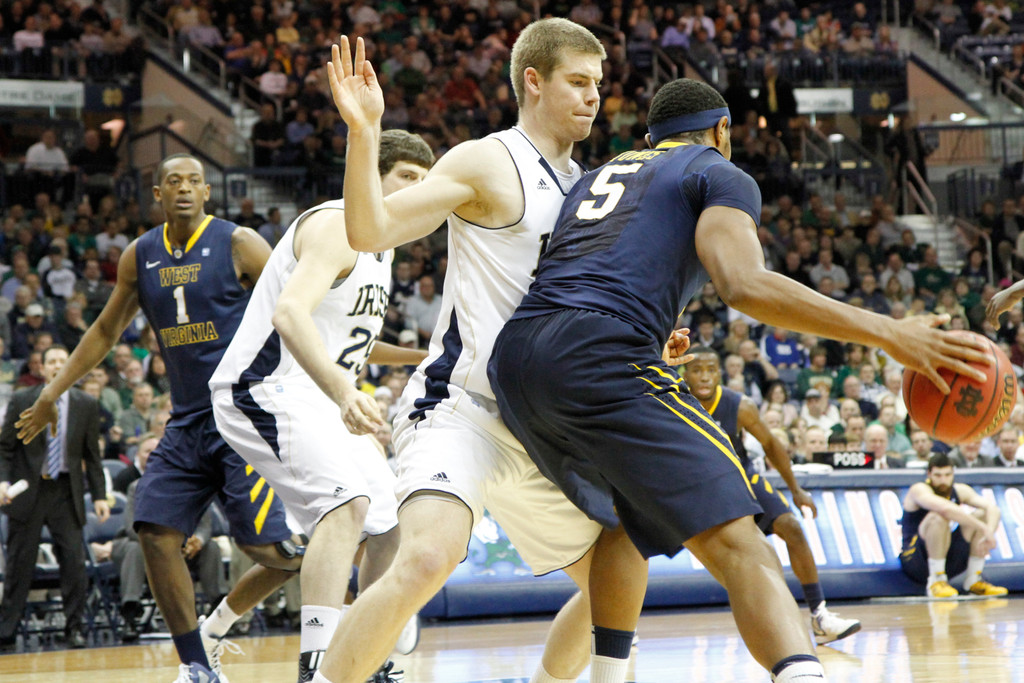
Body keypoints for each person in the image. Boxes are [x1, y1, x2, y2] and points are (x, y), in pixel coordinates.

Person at [487, 78, 990, 683]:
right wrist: (889, 332)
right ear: (722, 131)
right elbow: (744, 285)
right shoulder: (717, 172)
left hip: (517, 360)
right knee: (743, 544)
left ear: (652, 139)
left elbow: (598, 266)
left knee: (625, 525)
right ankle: (802, 672)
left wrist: (648, 330)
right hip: (600, 354)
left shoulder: (602, 174)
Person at [323, 23, 651, 683]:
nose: (595, 98)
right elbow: (370, 228)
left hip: (546, 425)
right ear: (534, 81)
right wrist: (363, 134)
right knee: (425, 559)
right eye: (579, 82)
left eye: (599, 84)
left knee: (613, 583)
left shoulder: (587, 187)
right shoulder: (486, 161)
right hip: (463, 409)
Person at [14, 154, 303, 683]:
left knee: (261, 546)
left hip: (246, 411)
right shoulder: (139, 254)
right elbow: (103, 331)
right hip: (188, 418)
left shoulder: (241, 242)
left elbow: (299, 310)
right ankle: (196, 664)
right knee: (153, 531)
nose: (186, 188)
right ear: (157, 194)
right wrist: (53, 390)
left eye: (196, 181)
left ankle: (348, 570)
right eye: (174, 182)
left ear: (208, 193)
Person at [209, 130, 434, 683]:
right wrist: (343, 390)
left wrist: (422, 352)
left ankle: (370, 654)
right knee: (347, 506)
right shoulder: (337, 224)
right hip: (264, 385)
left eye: (425, 183)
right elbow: (290, 314)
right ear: (370, 177)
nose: (416, 191)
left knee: (389, 525)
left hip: (316, 395)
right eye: (406, 177)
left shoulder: (383, 247)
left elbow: (348, 334)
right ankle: (318, 666)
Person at [684, 347, 861, 644]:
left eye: (710, 369)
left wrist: (796, 489)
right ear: (684, 373)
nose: (704, 376)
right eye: (697, 369)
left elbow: (771, 444)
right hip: (693, 482)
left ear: (720, 373)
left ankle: (820, 615)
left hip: (738, 474)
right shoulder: (672, 401)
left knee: (791, 527)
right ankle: (623, 625)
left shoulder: (739, 405)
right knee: (636, 537)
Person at [0, 345, 107, 651]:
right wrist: (2, 481)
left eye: (64, 361)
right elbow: (5, 447)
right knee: (20, 565)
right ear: (43, 368)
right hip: (29, 490)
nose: (59, 366)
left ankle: (74, 628)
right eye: (52, 362)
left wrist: (99, 495)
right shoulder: (23, 398)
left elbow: (92, 455)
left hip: (65, 491)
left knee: (74, 564)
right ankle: (6, 630)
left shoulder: (85, 403)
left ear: (72, 364)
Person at [900, 453, 1007, 598]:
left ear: (953, 473)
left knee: (982, 514)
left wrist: (989, 531)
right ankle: (935, 581)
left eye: (947, 475)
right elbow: (945, 509)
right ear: (929, 474)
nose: (943, 480)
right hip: (915, 560)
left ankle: (973, 580)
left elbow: (993, 509)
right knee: (938, 516)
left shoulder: (959, 490)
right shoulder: (919, 489)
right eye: (938, 475)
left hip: (947, 557)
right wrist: (982, 528)